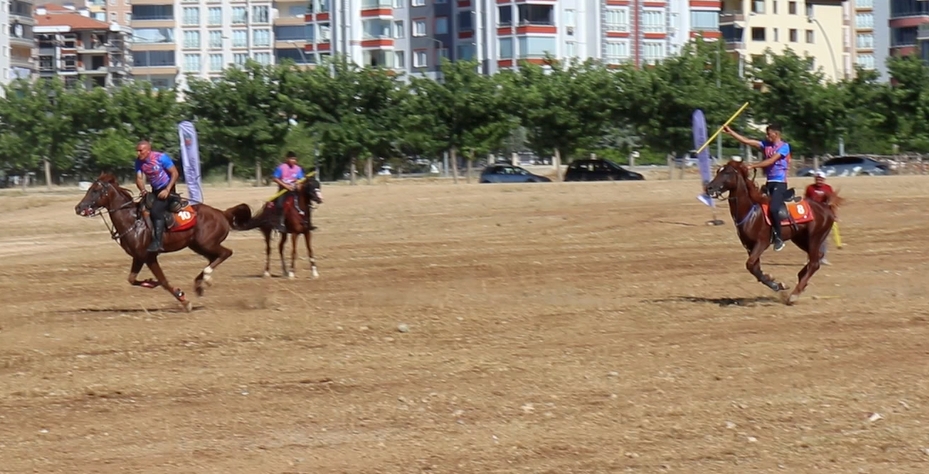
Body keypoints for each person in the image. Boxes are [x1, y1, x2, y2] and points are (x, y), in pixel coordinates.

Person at [722, 123, 791, 251]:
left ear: (776, 134)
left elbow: (771, 161)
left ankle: (779, 238)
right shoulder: (765, 145)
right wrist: (731, 132)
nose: (766, 136)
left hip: (780, 183)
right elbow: (747, 141)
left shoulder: (784, 147)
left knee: (774, 209)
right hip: (769, 183)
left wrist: (753, 166)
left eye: (768, 133)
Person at [135, 140, 179, 253]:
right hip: (155, 190)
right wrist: (143, 190)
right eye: (137, 151)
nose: (138, 153)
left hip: (168, 189)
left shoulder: (161, 158)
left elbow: (175, 173)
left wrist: (168, 190)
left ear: (148, 150)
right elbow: (139, 178)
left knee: (156, 211)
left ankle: (158, 242)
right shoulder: (139, 162)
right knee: (142, 207)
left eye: (140, 151)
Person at [805, 170, 836, 265]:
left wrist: (834, 215)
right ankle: (811, 258)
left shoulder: (828, 188)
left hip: (824, 216)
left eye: (821, 179)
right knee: (810, 237)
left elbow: (832, 202)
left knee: (823, 238)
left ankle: (822, 258)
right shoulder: (810, 188)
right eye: (817, 178)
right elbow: (806, 200)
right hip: (812, 215)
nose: (819, 180)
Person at [271, 151, 305, 233]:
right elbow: (275, 178)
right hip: (283, 191)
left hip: (294, 190)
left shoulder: (298, 169)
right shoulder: (281, 167)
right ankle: (280, 223)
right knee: (279, 205)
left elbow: (301, 179)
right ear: (287, 159)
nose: (293, 161)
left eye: (294, 159)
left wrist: (299, 185)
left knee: (304, 202)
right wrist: (285, 186)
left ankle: (305, 220)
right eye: (291, 159)